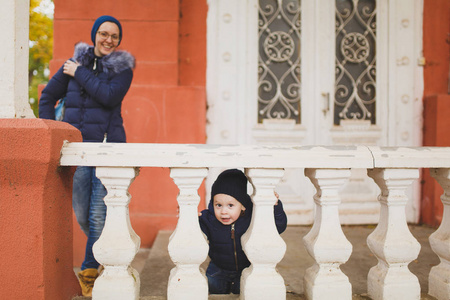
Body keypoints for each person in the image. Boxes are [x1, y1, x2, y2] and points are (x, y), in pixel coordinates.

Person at [39, 15, 135, 297]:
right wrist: (54, 131)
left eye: (114, 36)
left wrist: (78, 71)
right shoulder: (73, 63)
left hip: (108, 150)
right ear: (95, 35)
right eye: (104, 34)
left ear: (118, 41)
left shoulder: (122, 69)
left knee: (97, 213)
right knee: (84, 214)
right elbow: (47, 98)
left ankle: (89, 273)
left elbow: (108, 96)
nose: (109, 40)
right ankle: (107, 251)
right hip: (78, 151)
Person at [199, 169, 287, 294]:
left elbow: (279, 226)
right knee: (212, 290)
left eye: (230, 205)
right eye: (218, 205)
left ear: (243, 206)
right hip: (218, 268)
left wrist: (275, 206)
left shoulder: (251, 217)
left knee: (245, 292)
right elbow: (195, 233)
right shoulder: (208, 219)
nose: (224, 211)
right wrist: (189, 217)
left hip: (245, 268)